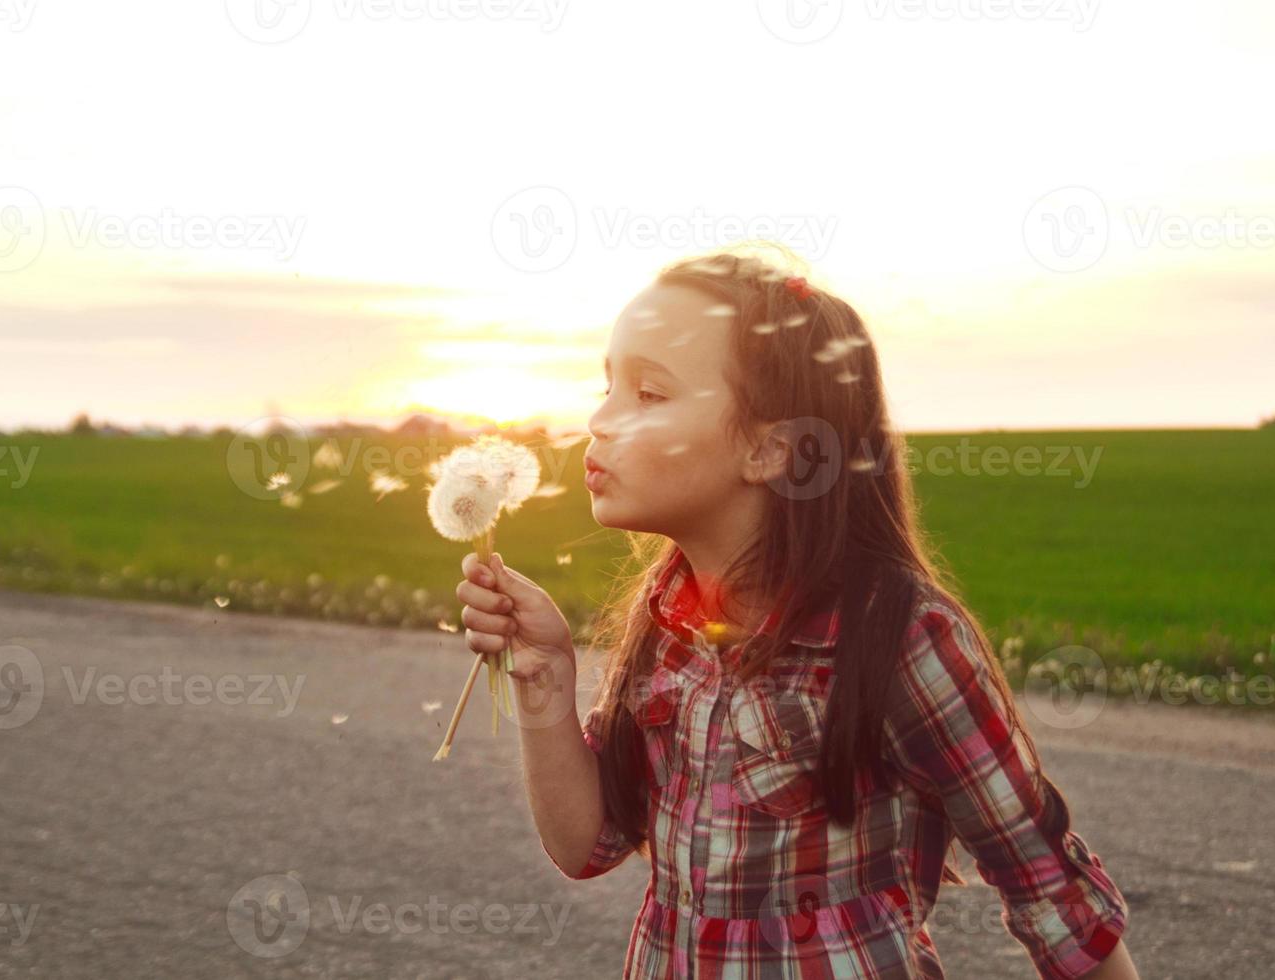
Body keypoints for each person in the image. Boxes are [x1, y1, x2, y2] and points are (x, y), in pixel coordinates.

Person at [454, 248, 1140, 979]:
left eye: (649, 395)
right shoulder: (667, 626)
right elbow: (585, 844)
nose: (599, 421)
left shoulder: (903, 638)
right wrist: (546, 676)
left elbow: (1049, 890)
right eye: (607, 387)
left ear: (769, 447)